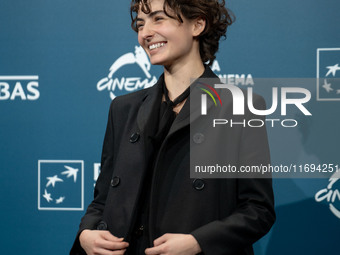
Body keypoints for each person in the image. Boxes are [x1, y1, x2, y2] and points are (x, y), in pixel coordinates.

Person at [70, 0, 275, 254]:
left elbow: (258, 210)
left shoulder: (240, 106)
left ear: (197, 24)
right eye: (140, 24)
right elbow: (102, 199)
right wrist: (87, 233)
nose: (145, 33)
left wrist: (198, 242)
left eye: (158, 19)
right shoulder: (123, 109)